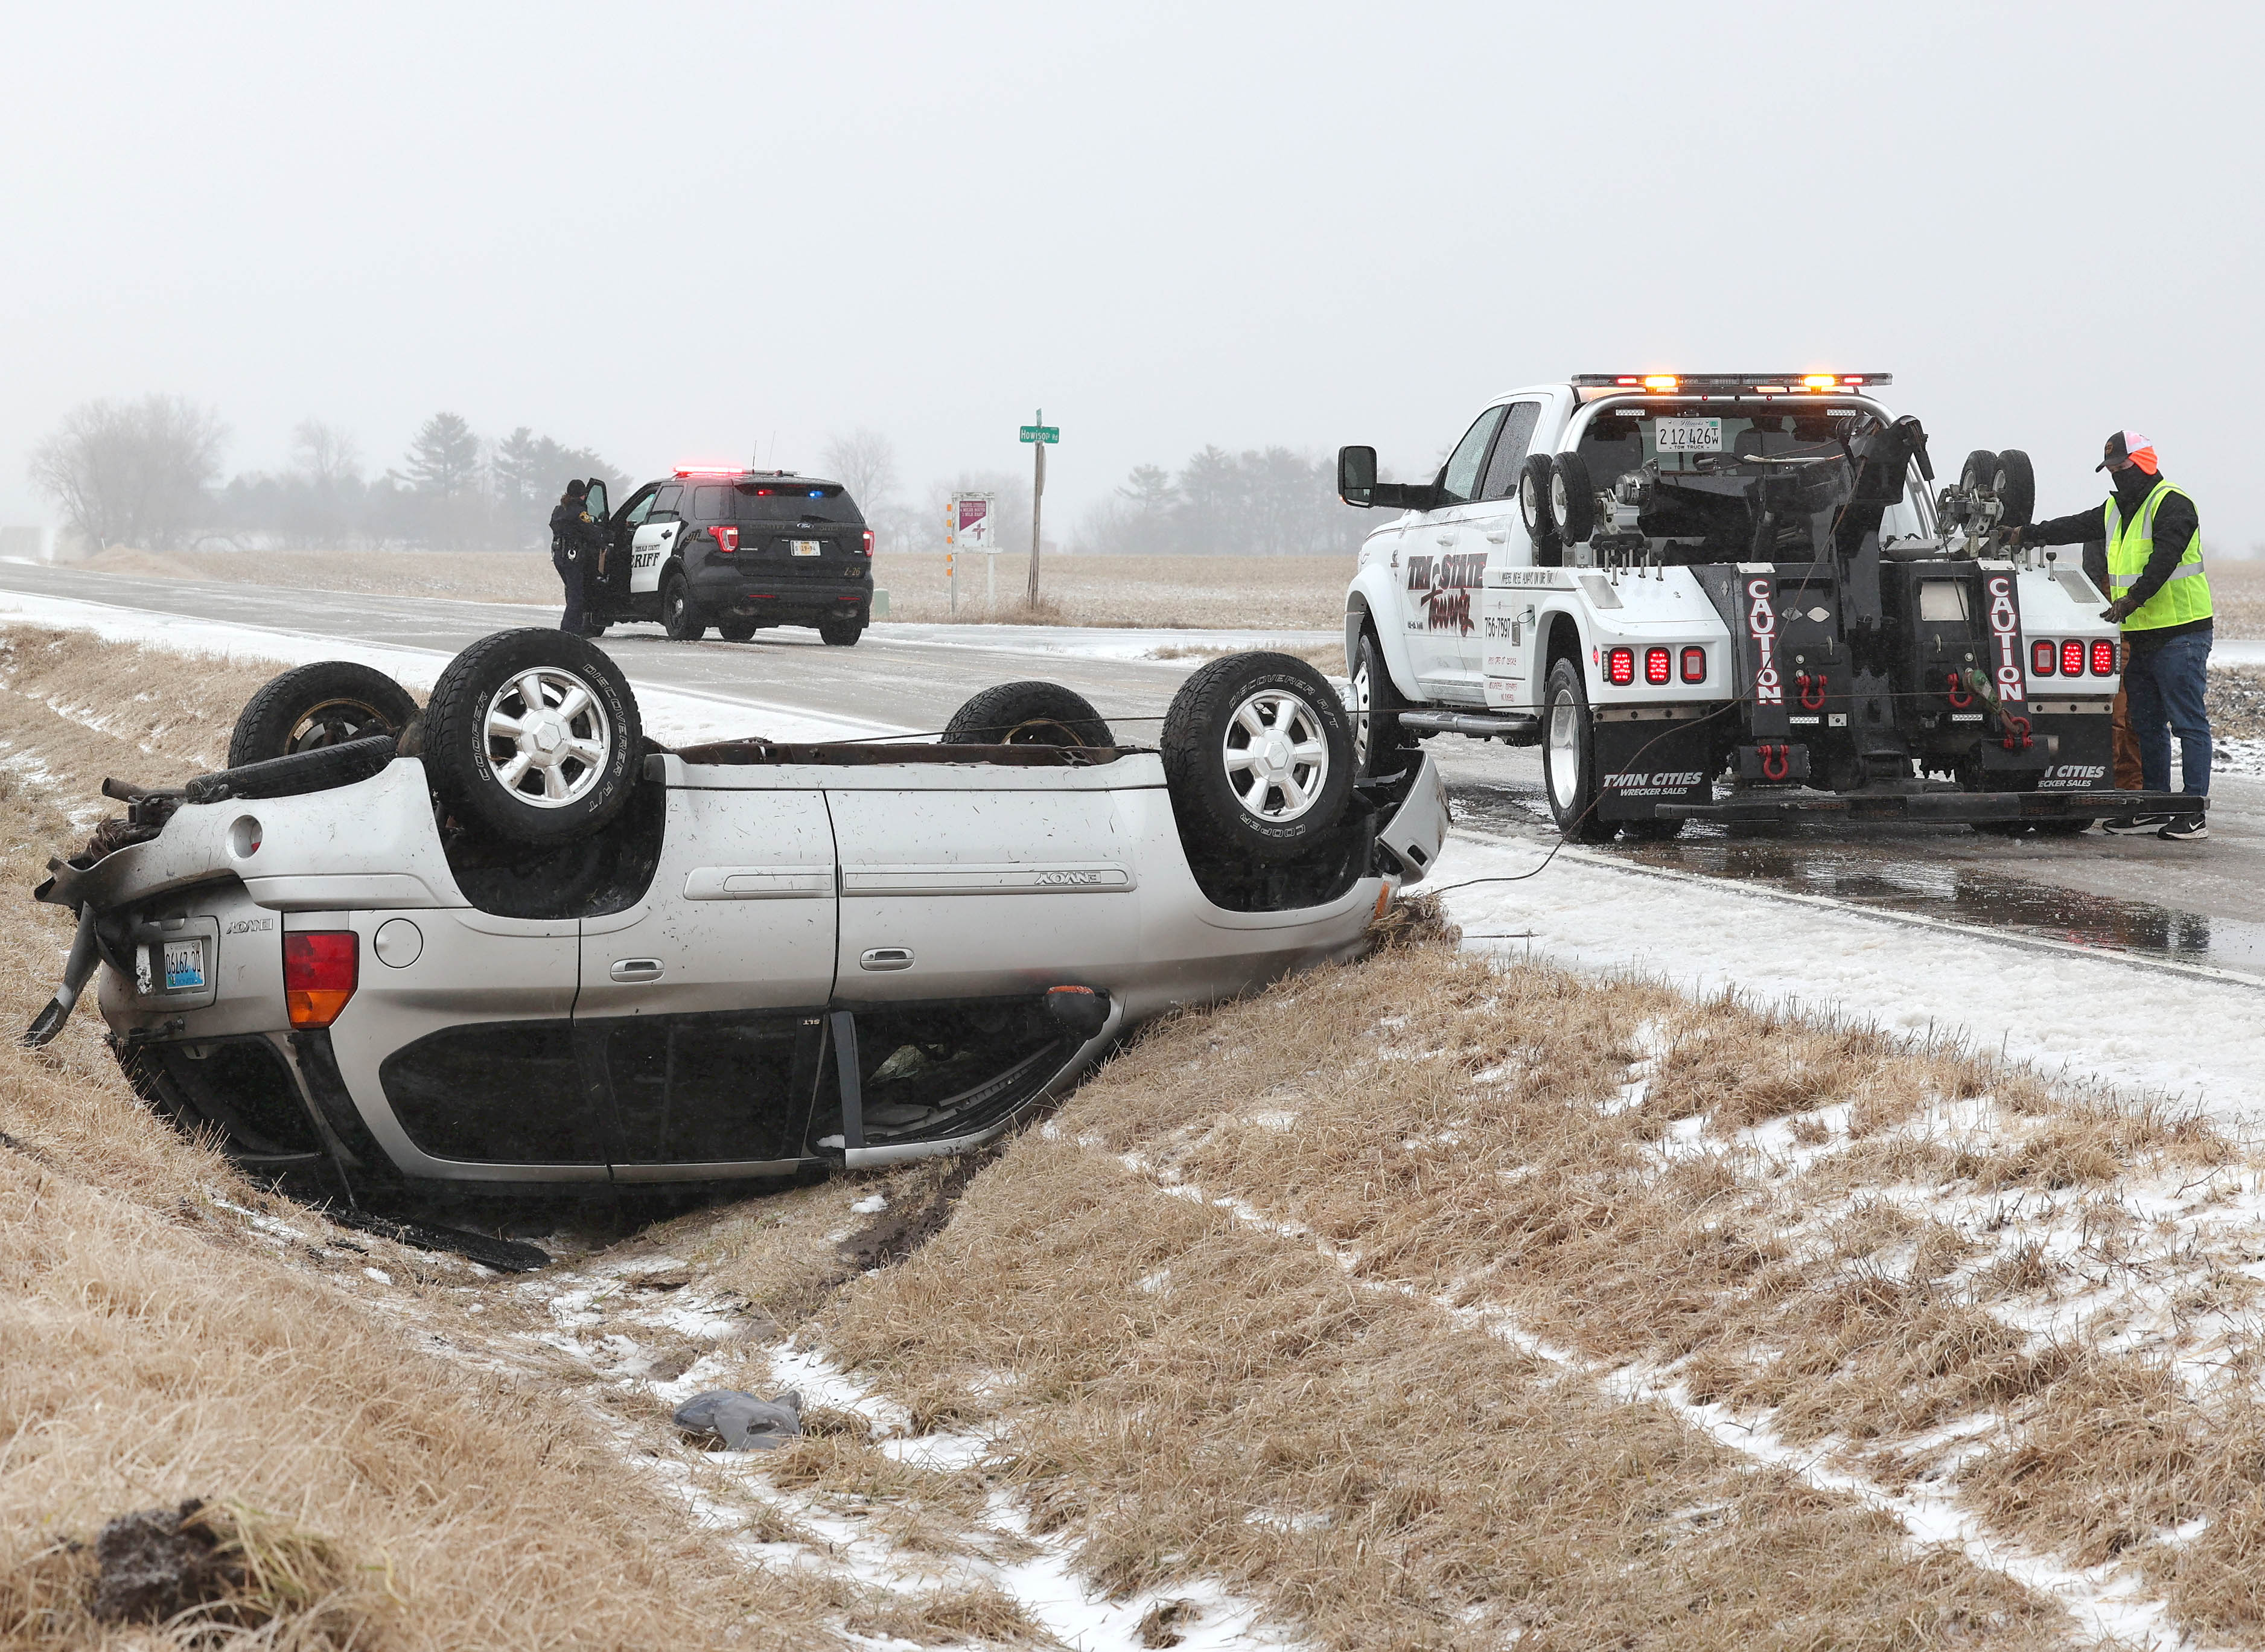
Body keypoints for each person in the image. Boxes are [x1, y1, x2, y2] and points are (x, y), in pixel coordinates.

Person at [2009, 431, 2211, 840]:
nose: (2118, 476)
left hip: (2180, 634)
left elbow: (2163, 560)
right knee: (2146, 723)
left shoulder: (2173, 503)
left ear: (2144, 463)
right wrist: (2027, 534)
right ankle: (2152, 804)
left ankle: (2192, 811)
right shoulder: (2114, 510)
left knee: (2187, 722)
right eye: (2112, 470)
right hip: (2141, 634)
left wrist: (2130, 600)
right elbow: (2073, 525)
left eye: (2123, 468)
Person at [548, 480, 604, 635]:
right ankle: (569, 631)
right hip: (572, 557)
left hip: (559, 555)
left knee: (573, 592)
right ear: (582, 495)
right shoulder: (579, 512)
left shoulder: (559, 510)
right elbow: (591, 532)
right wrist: (605, 541)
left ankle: (574, 628)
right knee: (576, 597)